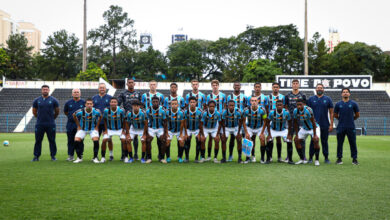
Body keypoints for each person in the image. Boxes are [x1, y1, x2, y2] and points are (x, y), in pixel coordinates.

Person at [307, 83, 334, 164]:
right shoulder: (311, 99)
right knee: (313, 141)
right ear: (316, 89)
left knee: (324, 141)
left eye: (321, 88)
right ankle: (311, 158)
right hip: (313, 125)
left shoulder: (328, 99)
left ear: (323, 89)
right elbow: (307, 112)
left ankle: (326, 158)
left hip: (325, 124)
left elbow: (331, 112)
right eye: (318, 87)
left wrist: (331, 124)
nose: (319, 89)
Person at [32, 85, 59, 162]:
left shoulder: (54, 100)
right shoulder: (37, 100)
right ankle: (36, 156)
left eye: (46, 89)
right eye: (44, 89)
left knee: (52, 140)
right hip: (39, 124)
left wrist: (52, 118)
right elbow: (34, 111)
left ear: (49, 90)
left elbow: (57, 111)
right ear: (41, 90)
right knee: (38, 140)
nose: (45, 91)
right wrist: (39, 118)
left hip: (50, 124)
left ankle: (53, 156)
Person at [334, 88, 360, 165]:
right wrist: (340, 119)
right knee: (340, 143)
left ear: (349, 94)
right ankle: (339, 159)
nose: (345, 93)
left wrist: (352, 119)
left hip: (350, 126)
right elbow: (335, 115)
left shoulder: (353, 104)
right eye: (344, 92)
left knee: (352, 143)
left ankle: (354, 159)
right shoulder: (338, 104)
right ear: (342, 94)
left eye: (347, 92)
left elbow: (357, 114)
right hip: (341, 126)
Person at [118, 78, 142, 160]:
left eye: (132, 82)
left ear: (134, 84)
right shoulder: (123, 93)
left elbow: (141, 104)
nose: (131, 84)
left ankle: (135, 154)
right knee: (125, 135)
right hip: (126, 118)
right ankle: (123, 154)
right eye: (129, 83)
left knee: (135, 136)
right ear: (127, 84)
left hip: (136, 117)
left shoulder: (138, 93)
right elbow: (118, 103)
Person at [72, 98, 102, 163]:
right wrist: (78, 126)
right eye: (88, 104)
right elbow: (74, 115)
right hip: (82, 129)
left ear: (93, 104)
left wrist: (97, 126)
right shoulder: (81, 111)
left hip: (92, 129)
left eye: (90, 104)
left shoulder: (97, 111)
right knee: (76, 141)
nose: (89, 105)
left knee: (96, 141)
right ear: (85, 104)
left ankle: (95, 158)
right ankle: (79, 157)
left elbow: (100, 116)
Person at [293, 99, 320, 166]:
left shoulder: (308, 110)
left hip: (313, 128)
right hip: (304, 128)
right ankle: (302, 159)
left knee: (316, 140)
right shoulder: (295, 111)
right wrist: (296, 135)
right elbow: (295, 123)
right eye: (297, 105)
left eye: (300, 105)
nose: (299, 106)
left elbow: (313, 123)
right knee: (296, 140)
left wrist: (314, 135)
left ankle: (316, 160)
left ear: (304, 104)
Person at [266, 100, 294, 164]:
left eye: (280, 105)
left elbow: (290, 123)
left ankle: (290, 160)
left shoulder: (286, 112)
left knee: (289, 141)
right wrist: (269, 134)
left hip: (283, 130)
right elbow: (267, 122)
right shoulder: (272, 112)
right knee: (269, 140)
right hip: (273, 130)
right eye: (278, 105)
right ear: (276, 106)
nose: (279, 106)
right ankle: (268, 159)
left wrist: (289, 134)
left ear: (283, 106)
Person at [285, 79, 307, 162]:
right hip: (291, 120)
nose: (295, 85)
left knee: (301, 138)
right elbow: (286, 107)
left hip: (300, 120)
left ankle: (303, 156)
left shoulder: (302, 95)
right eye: (293, 83)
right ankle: (288, 156)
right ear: (292, 85)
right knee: (289, 138)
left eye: (296, 83)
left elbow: (305, 106)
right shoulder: (288, 95)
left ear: (299, 85)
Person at [101, 97, 128, 163]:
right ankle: (105, 157)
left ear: (117, 103)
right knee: (105, 140)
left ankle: (125, 156)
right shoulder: (106, 110)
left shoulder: (122, 110)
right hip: (109, 129)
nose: (113, 103)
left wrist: (123, 130)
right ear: (110, 103)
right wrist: (105, 130)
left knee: (124, 140)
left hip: (119, 129)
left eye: (114, 102)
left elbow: (125, 120)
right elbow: (104, 119)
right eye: (112, 102)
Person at [226, 82, 247, 161]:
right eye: (235, 85)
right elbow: (226, 107)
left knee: (242, 138)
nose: (237, 87)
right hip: (232, 120)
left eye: (238, 85)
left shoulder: (244, 97)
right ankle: (230, 155)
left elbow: (246, 107)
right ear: (233, 86)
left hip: (241, 120)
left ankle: (247, 156)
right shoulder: (229, 97)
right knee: (232, 139)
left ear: (240, 87)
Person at [242, 96, 268, 163]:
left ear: (258, 101)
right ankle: (248, 158)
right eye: (252, 101)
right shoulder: (246, 110)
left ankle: (262, 158)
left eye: (255, 101)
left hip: (259, 127)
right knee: (247, 139)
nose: (254, 102)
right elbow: (243, 121)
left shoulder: (262, 110)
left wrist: (262, 133)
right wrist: (246, 132)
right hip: (250, 127)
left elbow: (265, 121)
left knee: (262, 139)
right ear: (250, 102)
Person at [163, 83, 185, 160]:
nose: (173, 88)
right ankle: (168, 157)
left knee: (181, 141)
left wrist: (182, 133)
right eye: (171, 87)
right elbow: (165, 122)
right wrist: (166, 132)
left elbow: (182, 122)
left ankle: (180, 157)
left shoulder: (181, 100)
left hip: (179, 130)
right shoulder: (167, 101)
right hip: (170, 130)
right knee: (167, 141)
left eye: (174, 87)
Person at [92, 83, 114, 160]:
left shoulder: (110, 98)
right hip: (96, 123)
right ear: (98, 89)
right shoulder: (94, 98)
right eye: (100, 87)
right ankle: (96, 155)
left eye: (103, 88)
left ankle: (111, 154)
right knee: (96, 139)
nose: (102, 89)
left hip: (107, 123)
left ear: (106, 89)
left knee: (108, 139)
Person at [206, 79, 226, 161]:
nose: (215, 87)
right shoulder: (209, 96)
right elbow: (207, 107)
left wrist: (222, 114)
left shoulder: (223, 95)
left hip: (220, 119)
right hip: (212, 119)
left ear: (218, 86)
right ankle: (209, 156)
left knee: (220, 138)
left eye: (216, 85)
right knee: (210, 138)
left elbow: (225, 106)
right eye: (213, 85)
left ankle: (218, 157)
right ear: (211, 86)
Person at [63, 88, 85, 161]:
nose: (76, 93)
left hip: (81, 124)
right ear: (72, 94)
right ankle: (71, 155)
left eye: (77, 92)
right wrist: (71, 118)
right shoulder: (68, 103)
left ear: (80, 93)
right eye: (75, 92)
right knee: (70, 140)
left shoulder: (83, 102)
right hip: (70, 124)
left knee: (80, 140)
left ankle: (80, 155)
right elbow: (66, 112)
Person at [145, 96, 168, 163]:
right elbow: (146, 122)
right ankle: (149, 158)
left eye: (156, 102)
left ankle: (162, 158)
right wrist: (146, 133)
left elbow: (165, 122)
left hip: (160, 128)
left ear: (159, 102)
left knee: (163, 140)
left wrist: (165, 133)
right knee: (148, 140)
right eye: (154, 102)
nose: (155, 103)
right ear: (151, 102)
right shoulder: (148, 110)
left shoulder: (163, 110)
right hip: (151, 128)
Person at [267, 82, 286, 162]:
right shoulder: (268, 97)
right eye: (274, 87)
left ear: (279, 88)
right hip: (271, 119)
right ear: (272, 88)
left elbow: (285, 107)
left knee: (279, 138)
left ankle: (279, 157)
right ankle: (270, 157)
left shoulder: (283, 97)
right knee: (270, 138)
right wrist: (266, 118)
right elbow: (266, 107)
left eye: (277, 87)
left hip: (280, 118)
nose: (275, 88)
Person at [183, 96, 205, 163]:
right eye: (191, 102)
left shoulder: (200, 111)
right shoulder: (186, 111)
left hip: (197, 129)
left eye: (194, 102)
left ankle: (196, 158)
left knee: (198, 141)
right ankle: (187, 158)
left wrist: (199, 133)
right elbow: (184, 122)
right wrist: (186, 133)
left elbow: (201, 123)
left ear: (196, 103)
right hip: (188, 129)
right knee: (187, 141)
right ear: (189, 103)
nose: (192, 103)